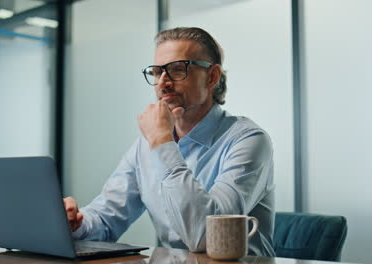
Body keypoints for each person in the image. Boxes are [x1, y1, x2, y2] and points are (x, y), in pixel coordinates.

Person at [64, 27, 275, 256]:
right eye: (156, 72)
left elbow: (207, 237)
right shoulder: (147, 144)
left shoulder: (248, 140)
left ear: (212, 77)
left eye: (177, 70)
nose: (163, 83)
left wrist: (163, 143)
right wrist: (75, 223)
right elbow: (106, 219)